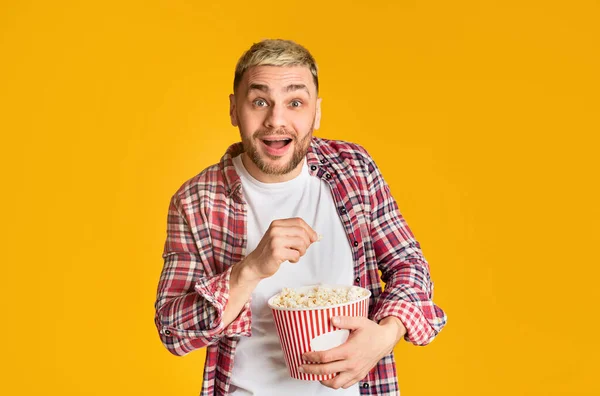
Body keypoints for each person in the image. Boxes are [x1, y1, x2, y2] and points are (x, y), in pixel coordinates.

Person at [154, 39, 447, 396]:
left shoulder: (353, 170)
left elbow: (409, 265)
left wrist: (385, 336)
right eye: (259, 101)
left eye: (295, 102)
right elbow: (172, 329)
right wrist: (250, 269)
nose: (276, 120)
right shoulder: (198, 200)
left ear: (316, 112)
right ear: (234, 110)